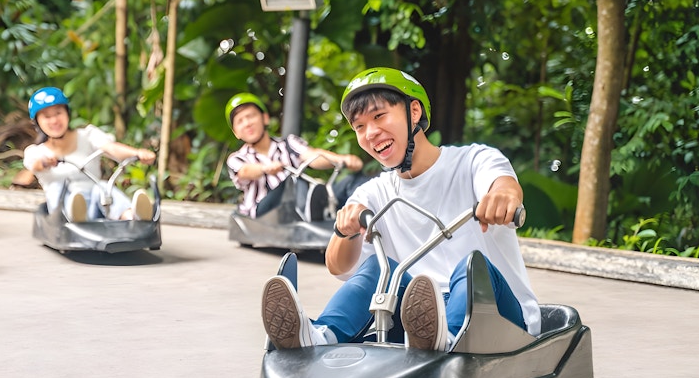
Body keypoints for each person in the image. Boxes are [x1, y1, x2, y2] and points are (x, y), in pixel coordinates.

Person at [260, 67, 541, 351]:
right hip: (418, 322)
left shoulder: (473, 161)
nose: (370, 133)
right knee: (375, 269)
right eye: (359, 126)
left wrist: (503, 196)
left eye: (379, 116)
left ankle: (450, 338)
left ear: (414, 112)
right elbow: (337, 266)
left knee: (471, 267)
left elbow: (502, 184)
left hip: (502, 319)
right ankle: (320, 336)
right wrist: (345, 231)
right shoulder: (373, 192)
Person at [22, 86, 156, 222]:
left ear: (67, 113)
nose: (54, 121)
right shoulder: (36, 152)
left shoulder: (88, 135)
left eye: (58, 113)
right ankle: (76, 217)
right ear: (38, 122)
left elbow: (111, 148)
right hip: (62, 212)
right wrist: (46, 162)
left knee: (103, 187)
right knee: (60, 189)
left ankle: (133, 217)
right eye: (47, 117)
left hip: (95, 205)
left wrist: (138, 153)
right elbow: (36, 165)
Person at [224, 92, 365, 221]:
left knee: (352, 181)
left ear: (265, 118)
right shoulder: (236, 158)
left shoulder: (288, 143)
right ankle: (310, 215)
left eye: (251, 116)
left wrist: (343, 159)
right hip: (264, 212)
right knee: (292, 181)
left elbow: (312, 155)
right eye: (240, 121)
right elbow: (245, 171)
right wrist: (266, 168)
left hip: (300, 200)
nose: (247, 123)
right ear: (236, 132)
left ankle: (360, 220)